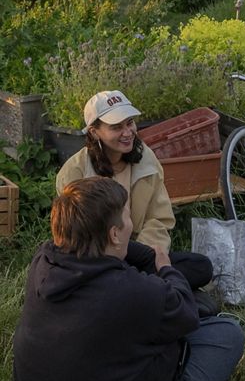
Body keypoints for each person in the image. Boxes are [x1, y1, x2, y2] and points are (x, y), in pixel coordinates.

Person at [12, 177, 245, 381]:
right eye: (126, 215)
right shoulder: (133, 292)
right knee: (226, 332)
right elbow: (186, 313)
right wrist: (166, 268)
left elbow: (119, 258)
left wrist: (129, 251)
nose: (131, 221)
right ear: (112, 233)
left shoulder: (43, 262)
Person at [56, 90, 211, 292]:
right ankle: (144, 290)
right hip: (95, 261)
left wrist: (143, 255)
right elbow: (74, 237)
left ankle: (137, 287)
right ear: (94, 132)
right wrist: (114, 261)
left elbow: (159, 219)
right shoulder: (74, 172)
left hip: (140, 254)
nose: (128, 132)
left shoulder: (146, 159)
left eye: (130, 123)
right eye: (116, 127)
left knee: (200, 266)